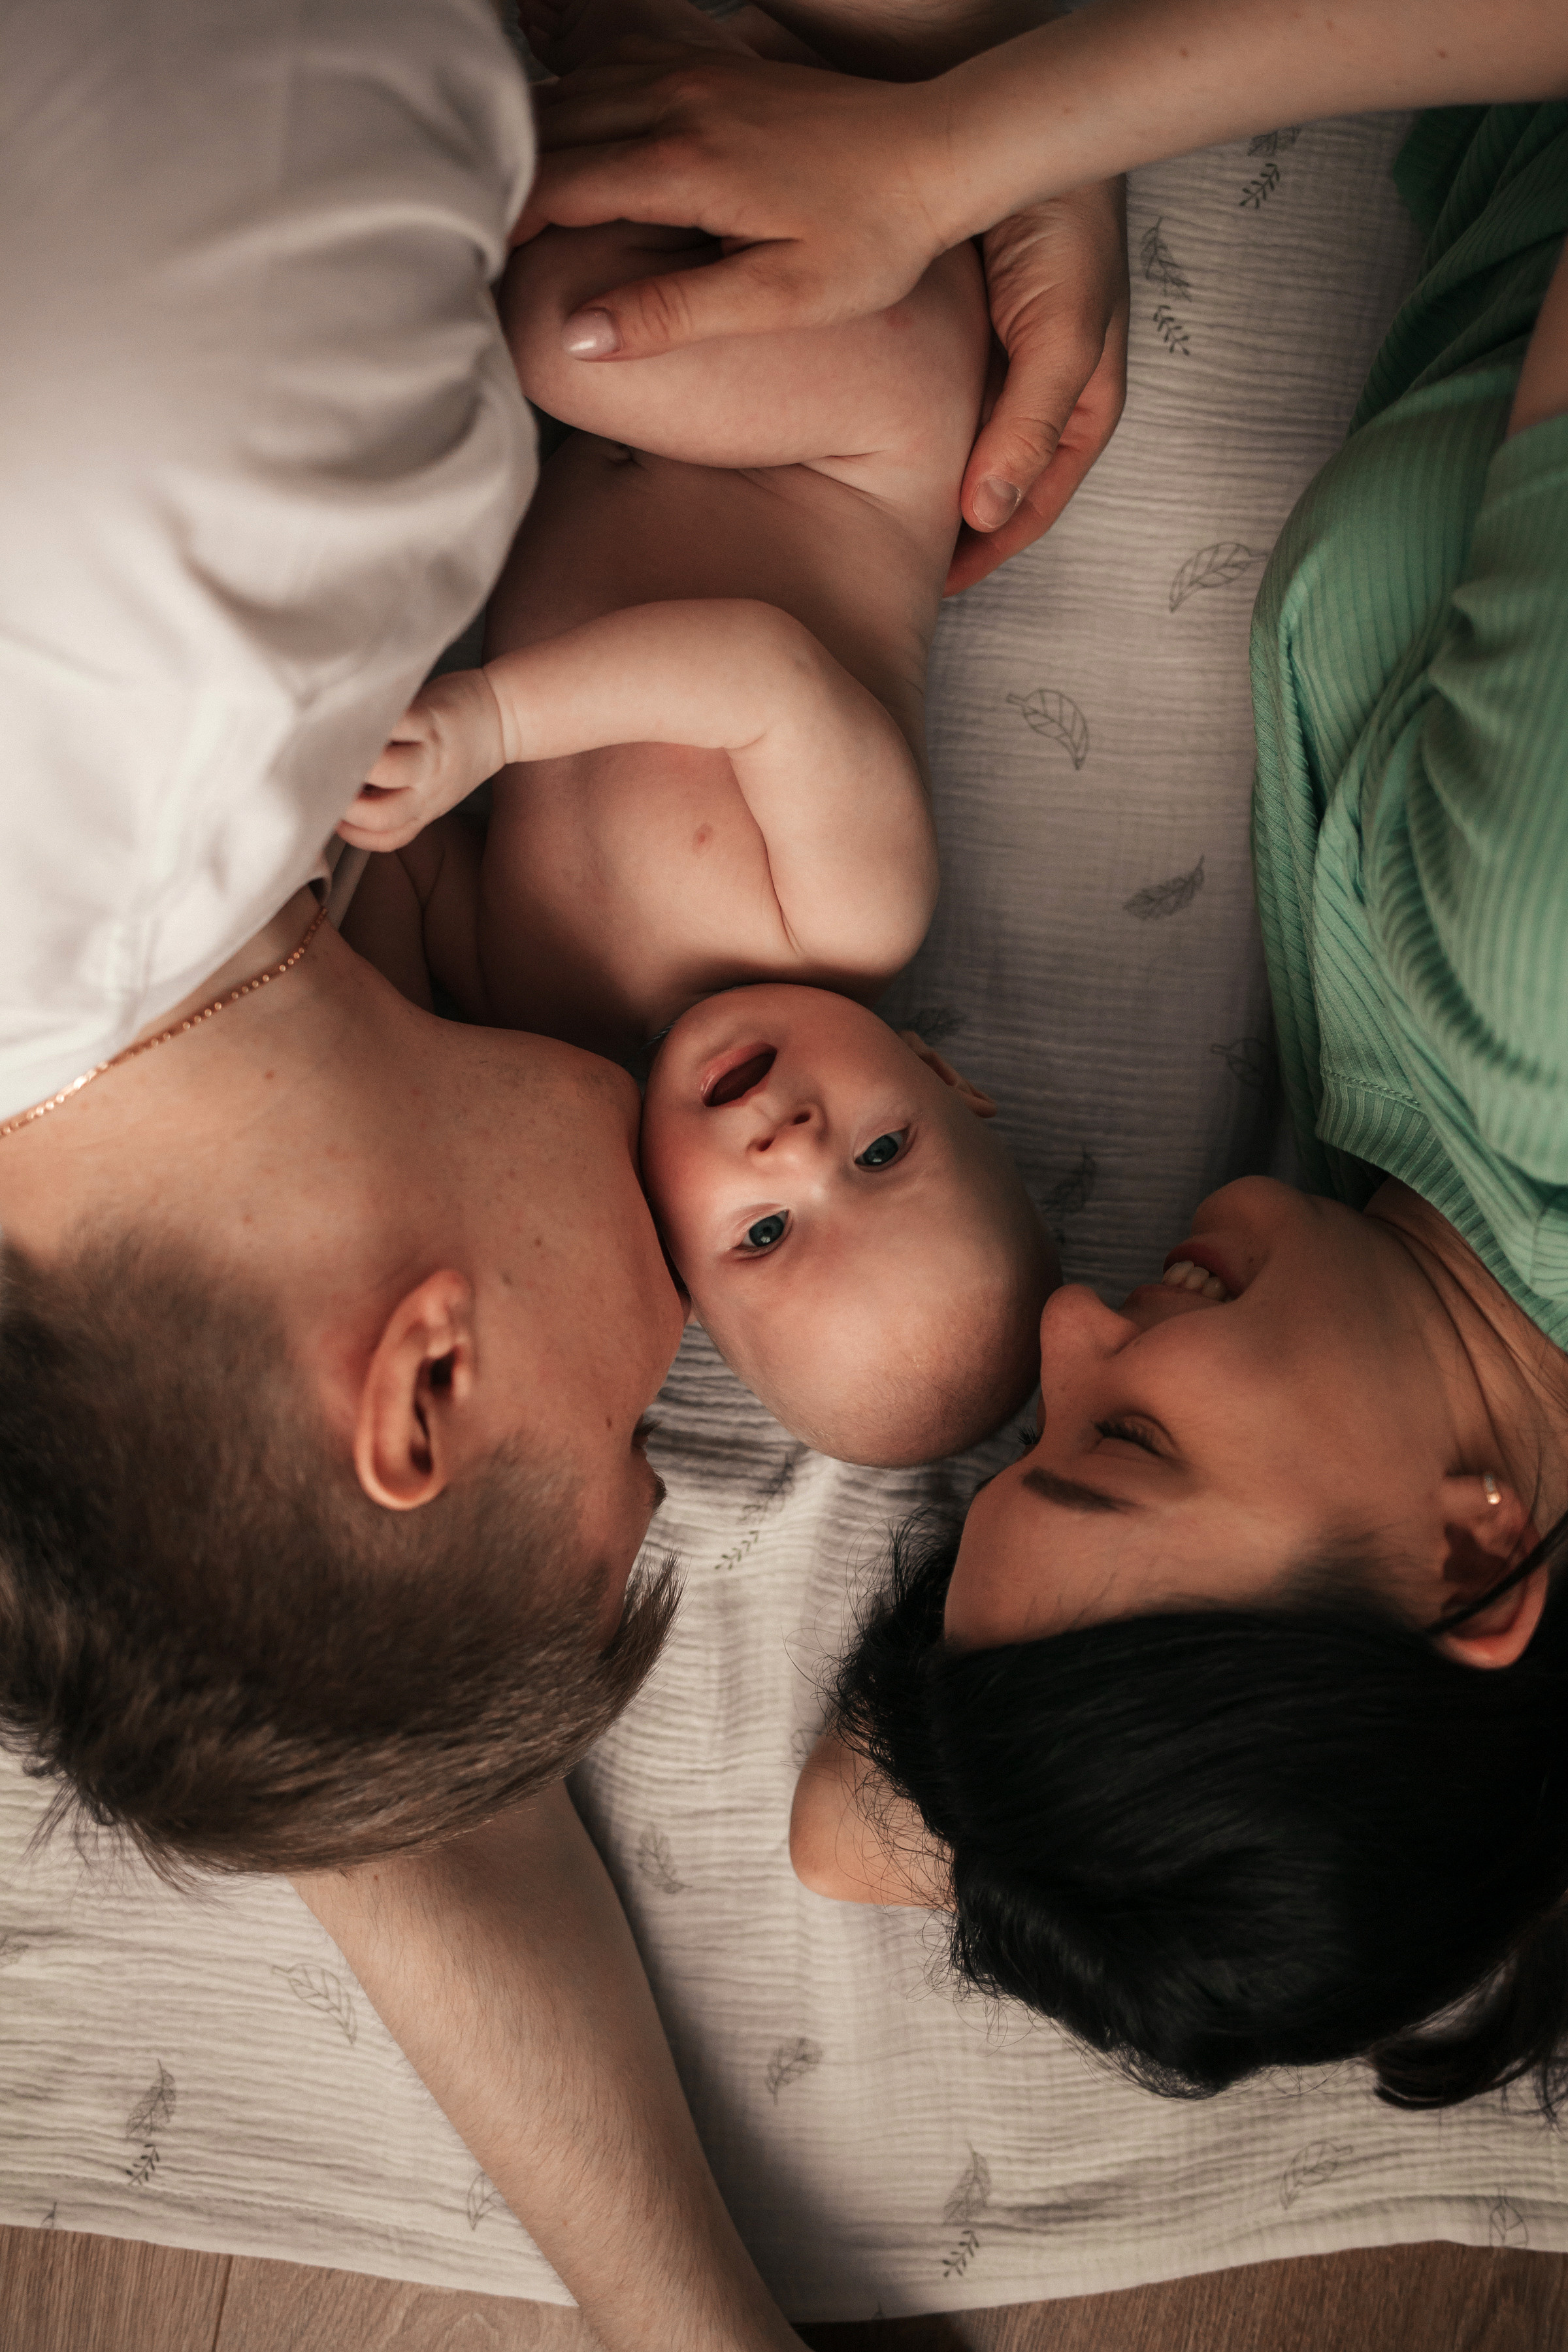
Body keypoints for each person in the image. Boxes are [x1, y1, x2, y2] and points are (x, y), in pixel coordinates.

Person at [0, 2, 1121, 2341]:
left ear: (421, 1387)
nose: (685, 1314)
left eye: (630, 1438)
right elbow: (309, 1673)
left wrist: (1001, 88)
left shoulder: (272, 515)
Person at [529, 10, 1568, 2106]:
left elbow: (854, 1830)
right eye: (1131, 1442)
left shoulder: (1402, 1266)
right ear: (1470, 1560)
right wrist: (967, 145)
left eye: (1030, 1443)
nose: (1077, 1324)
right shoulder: (1532, 990)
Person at [340, 0, 1051, 1465]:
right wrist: (488, 721)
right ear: (948, 1079)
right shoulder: (851, 917)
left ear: (678, 1276)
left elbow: (399, 875)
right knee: (561, 334)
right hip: (851, 423)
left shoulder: (537, 1019)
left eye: (770, 1233)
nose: (793, 1145)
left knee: (501, 359)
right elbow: (764, 674)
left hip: (642, 423)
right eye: (883, 1150)